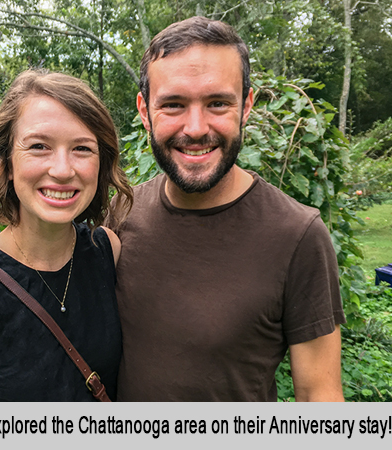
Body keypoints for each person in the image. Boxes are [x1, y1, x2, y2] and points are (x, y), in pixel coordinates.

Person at [110, 17, 345, 401]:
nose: (197, 127)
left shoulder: (297, 235)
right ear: (144, 111)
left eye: (217, 103)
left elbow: (320, 396)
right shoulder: (119, 214)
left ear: (247, 106)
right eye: (173, 104)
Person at [0, 70, 133, 401]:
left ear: (101, 163)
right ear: (8, 162)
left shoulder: (106, 253)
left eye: (82, 149)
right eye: (39, 146)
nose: (62, 170)